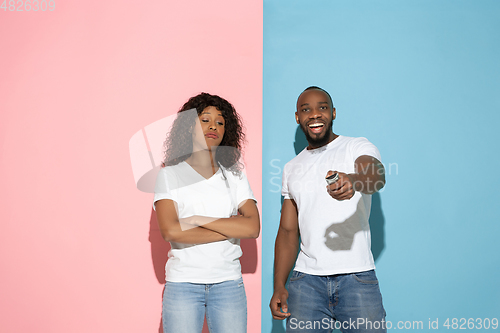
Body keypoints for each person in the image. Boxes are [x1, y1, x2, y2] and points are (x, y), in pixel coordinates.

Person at [270, 86, 387, 333]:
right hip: (305, 284)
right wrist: (279, 285)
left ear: (333, 113)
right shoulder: (292, 167)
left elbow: (376, 176)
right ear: (297, 117)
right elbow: (288, 232)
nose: (314, 114)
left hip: (356, 277)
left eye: (322, 107)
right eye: (306, 109)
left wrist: (354, 181)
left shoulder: (356, 146)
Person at [154, 92, 260, 333]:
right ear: (189, 127)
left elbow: (253, 228)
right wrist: (232, 228)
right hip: (183, 284)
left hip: (228, 285)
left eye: (220, 122)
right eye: (205, 119)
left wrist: (197, 220)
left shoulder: (235, 175)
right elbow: (171, 230)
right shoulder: (170, 174)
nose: (214, 126)